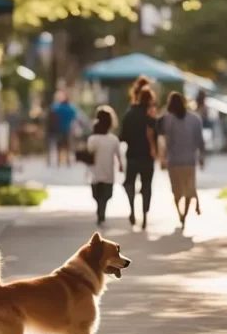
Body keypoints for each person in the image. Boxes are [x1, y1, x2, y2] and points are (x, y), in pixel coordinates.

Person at [159, 91, 205, 228]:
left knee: (176, 191)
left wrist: (162, 158)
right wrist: (202, 156)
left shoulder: (167, 119)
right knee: (189, 189)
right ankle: (184, 213)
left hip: (174, 162)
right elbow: (200, 141)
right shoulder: (195, 119)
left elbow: (162, 140)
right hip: (190, 161)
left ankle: (180, 214)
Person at [120, 84, 157, 228]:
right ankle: (145, 216)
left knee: (129, 183)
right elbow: (157, 134)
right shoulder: (150, 116)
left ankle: (132, 209)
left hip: (132, 155)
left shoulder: (129, 114)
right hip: (147, 156)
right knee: (147, 186)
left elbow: (122, 136)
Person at [87, 107, 123, 225]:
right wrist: (121, 165)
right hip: (108, 172)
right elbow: (118, 154)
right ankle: (101, 211)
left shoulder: (92, 139)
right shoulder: (113, 139)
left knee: (97, 195)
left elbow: (89, 153)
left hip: (95, 173)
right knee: (106, 195)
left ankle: (100, 210)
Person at [49, 90, 77, 166]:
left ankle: (58, 160)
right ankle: (68, 160)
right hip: (68, 128)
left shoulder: (57, 107)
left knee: (59, 145)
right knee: (67, 145)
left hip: (58, 128)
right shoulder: (71, 108)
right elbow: (74, 117)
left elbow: (52, 113)